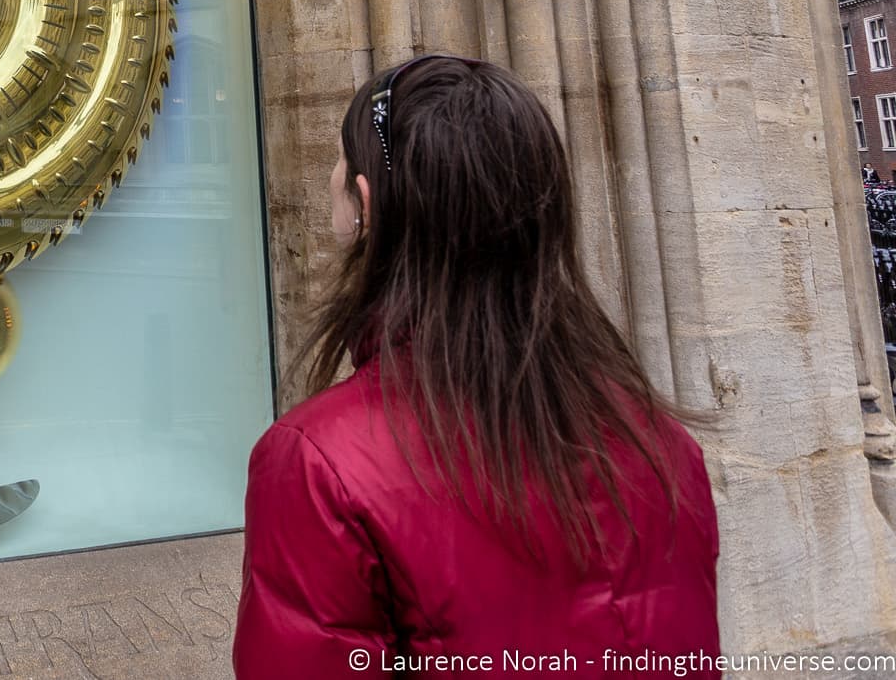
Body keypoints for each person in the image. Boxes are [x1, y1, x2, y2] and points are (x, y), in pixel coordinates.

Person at [234, 55, 720, 675]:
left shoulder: (317, 467)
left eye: (339, 159)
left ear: (364, 203)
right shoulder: (659, 439)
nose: (331, 178)